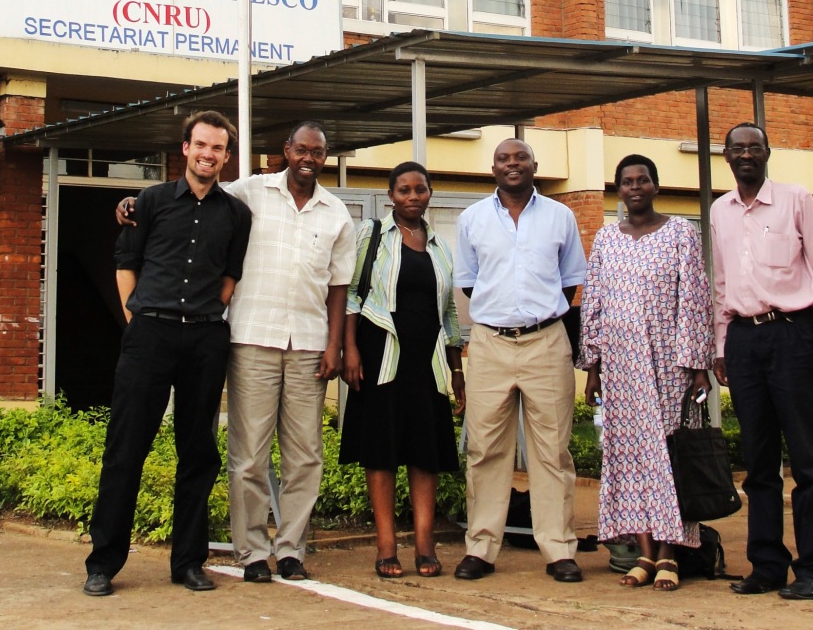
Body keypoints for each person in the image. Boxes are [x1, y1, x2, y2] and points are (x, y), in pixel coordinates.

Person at [116, 121, 356, 584]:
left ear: (325, 157)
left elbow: (338, 287)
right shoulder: (249, 192)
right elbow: (194, 194)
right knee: (249, 454)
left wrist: (334, 346)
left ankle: (291, 549)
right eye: (301, 149)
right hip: (251, 339)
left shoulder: (337, 213)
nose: (309, 157)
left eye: (318, 152)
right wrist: (129, 204)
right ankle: (251, 552)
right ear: (285, 151)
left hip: (308, 344)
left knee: (305, 454)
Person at [84, 111, 252, 597]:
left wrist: (202, 320)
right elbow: (126, 263)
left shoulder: (236, 214)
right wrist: (138, 323)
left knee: (198, 452)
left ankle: (188, 563)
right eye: (201, 145)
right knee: (125, 449)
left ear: (225, 155)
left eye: (218, 148)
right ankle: (103, 563)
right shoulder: (150, 202)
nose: (208, 155)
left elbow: (229, 279)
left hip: (204, 339)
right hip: (149, 336)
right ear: (185, 148)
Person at [711, 122, 813, 601]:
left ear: (768, 153)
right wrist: (722, 346)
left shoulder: (796, 199)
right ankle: (767, 565)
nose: (746, 154)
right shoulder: (719, 211)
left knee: (808, 460)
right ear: (725, 156)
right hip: (744, 342)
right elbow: (722, 283)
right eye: (737, 148)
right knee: (759, 463)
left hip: (793, 335)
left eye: (755, 147)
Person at [452, 138, 587, 583]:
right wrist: (505, 317)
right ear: (493, 169)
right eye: (504, 159)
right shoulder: (472, 219)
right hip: (490, 344)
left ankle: (558, 549)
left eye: (520, 158)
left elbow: (569, 286)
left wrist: (533, 317)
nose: (513, 165)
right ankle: (481, 548)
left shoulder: (560, 216)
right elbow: (471, 284)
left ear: (535, 165)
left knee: (552, 452)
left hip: (546, 342)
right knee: (485, 448)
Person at [578, 154, 714, 592]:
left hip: (668, 363)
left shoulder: (680, 234)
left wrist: (697, 368)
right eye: (627, 182)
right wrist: (593, 367)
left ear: (656, 186)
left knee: (669, 455)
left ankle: (672, 552)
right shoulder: (605, 239)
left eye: (643, 180)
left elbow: (694, 299)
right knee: (631, 457)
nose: (635, 187)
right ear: (618, 190)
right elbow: (594, 304)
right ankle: (643, 552)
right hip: (620, 365)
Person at [340, 161, 466, 579]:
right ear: (391, 195)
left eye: (420, 190)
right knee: (382, 452)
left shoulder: (440, 246)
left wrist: (456, 370)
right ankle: (386, 546)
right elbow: (353, 296)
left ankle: (426, 545)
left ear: (430, 194)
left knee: (424, 453)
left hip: (426, 362)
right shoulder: (372, 235)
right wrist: (350, 350)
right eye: (404, 191)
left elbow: (448, 312)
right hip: (381, 357)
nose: (413, 197)